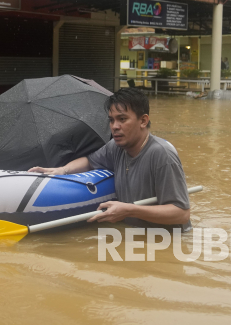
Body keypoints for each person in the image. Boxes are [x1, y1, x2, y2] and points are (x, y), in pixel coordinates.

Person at [30, 88, 190, 228]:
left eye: (122, 119)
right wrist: (62, 170)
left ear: (143, 121)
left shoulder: (162, 155)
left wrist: (130, 210)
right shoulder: (116, 147)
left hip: (167, 242)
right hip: (134, 237)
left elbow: (181, 213)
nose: (114, 126)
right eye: (111, 120)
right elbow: (89, 162)